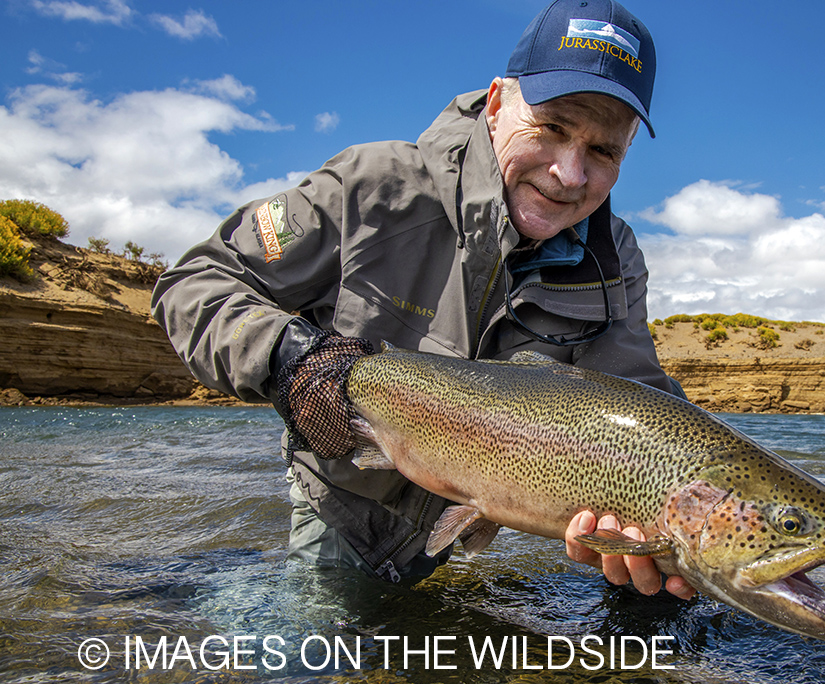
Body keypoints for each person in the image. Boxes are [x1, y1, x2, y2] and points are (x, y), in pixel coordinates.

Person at [152, 0, 695, 602]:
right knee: (294, 668)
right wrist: (291, 360)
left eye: (603, 152)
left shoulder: (613, 257)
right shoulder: (370, 187)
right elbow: (196, 282)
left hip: (453, 526)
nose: (569, 175)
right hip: (342, 506)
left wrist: (657, 519)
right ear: (496, 104)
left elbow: (639, 405)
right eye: (553, 129)